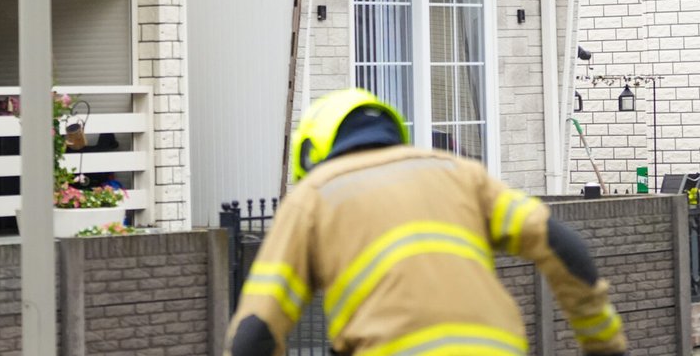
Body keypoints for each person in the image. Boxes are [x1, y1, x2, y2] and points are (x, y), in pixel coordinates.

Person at [224, 88, 627, 356]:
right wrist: (604, 345)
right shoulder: (459, 173)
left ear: (312, 154)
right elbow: (564, 246)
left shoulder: (313, 197)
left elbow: (257, 330)